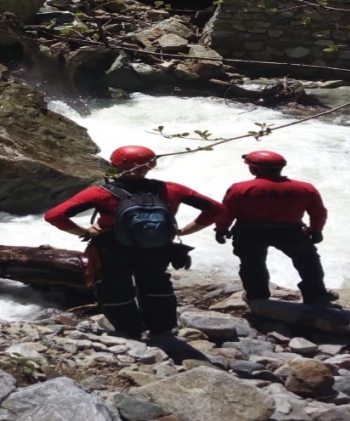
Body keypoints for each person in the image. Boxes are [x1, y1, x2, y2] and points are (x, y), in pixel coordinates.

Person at [45, 145, 223, 339]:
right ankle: (162, 329)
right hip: (157, 248)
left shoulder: (100, 193)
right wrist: (183, 231)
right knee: (156, 283)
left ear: (114, 165)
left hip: (112, 247)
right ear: (150, 165)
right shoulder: (171, 189)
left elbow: (54, 216)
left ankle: (129, 329)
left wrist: (86, 232)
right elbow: (217, 209)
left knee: (114, 286)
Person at [215, 150, 338, 305]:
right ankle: (316, 295)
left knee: (252, 264)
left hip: (250, 232)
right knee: (308, 262)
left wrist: (221, 230)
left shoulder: (240, 188)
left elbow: (226, 212)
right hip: (291, 232)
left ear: (255, 169)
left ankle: (257, 296)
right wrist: (316, 230)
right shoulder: (305, 188)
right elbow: (318, 212)